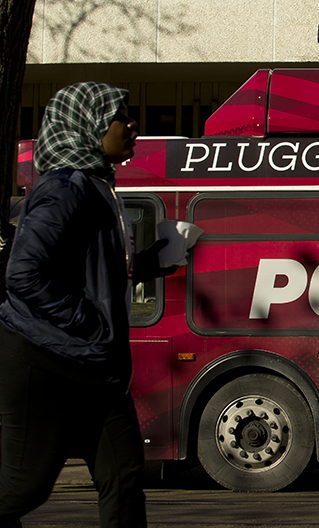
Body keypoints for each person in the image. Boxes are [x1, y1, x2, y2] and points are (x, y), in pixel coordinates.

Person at [0, 82, 174, 528]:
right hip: (46, 360)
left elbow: (90, 271)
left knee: (123, 476)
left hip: (94, 366)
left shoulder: (95, 185)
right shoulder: (65, 187)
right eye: (121, 117)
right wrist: (88, 321)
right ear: (88, 126)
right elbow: (23, 273)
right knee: (23, 488)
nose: (132, 125)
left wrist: (152, 262)